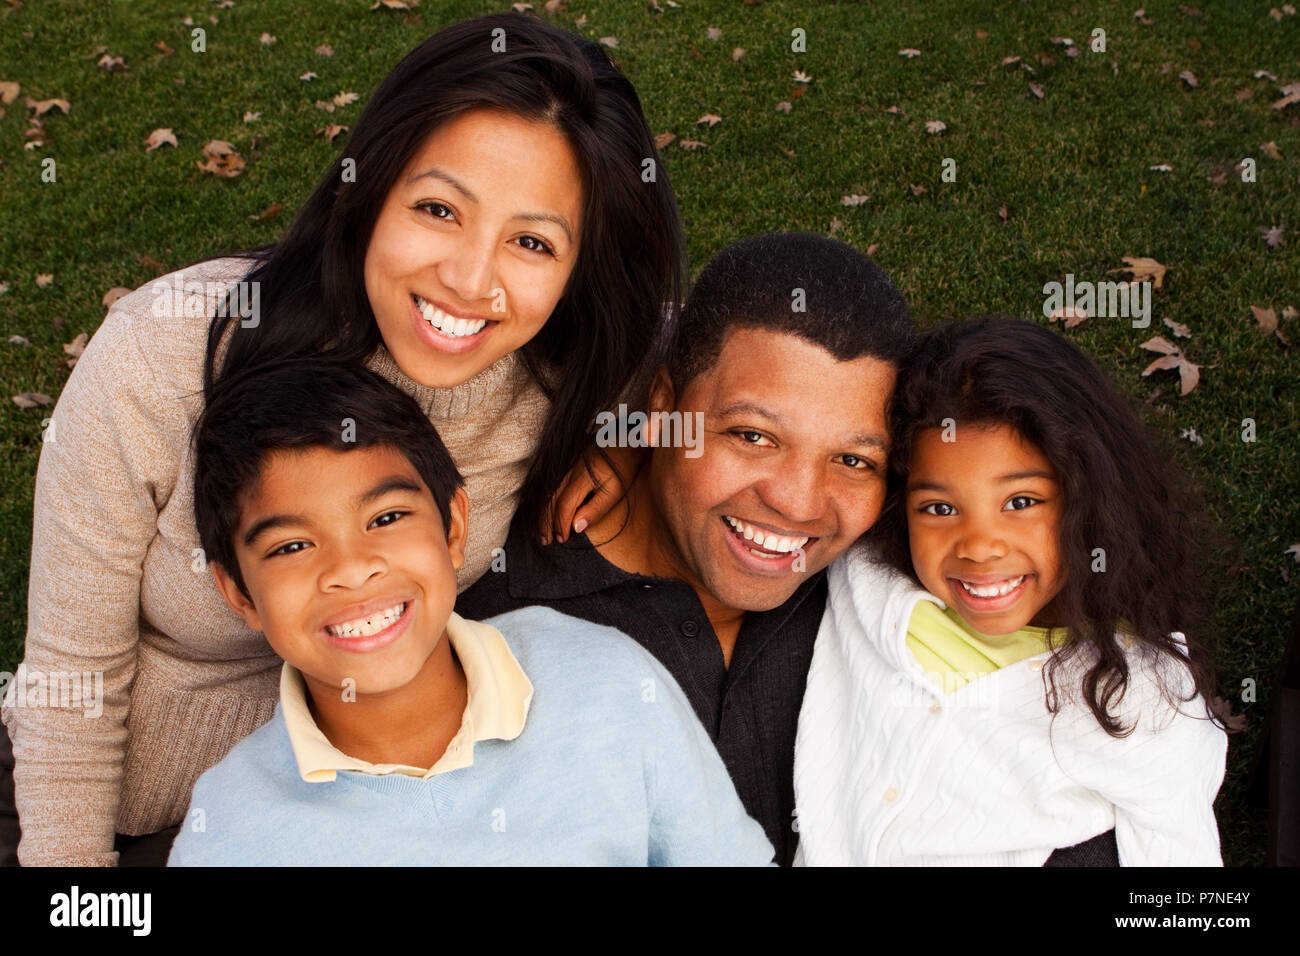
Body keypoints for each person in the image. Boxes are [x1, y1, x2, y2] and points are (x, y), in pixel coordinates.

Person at [1, 11, 684, 866]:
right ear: (369, 190)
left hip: (353, 820)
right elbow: (70, 686)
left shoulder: (551, 380)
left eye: (532, 242)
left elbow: (694, 350)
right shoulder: (163, 357)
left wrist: (628, 429)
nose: (471, 281)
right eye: (438, 208)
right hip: (108, 815)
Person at [166, 360, 771, 866]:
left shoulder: (606, 679)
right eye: (292, 547)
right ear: (240, 594)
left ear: (455, 527)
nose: (351, 569)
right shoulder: (229, 828)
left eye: (386, 518)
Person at [458, 232, 915, 864]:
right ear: (663, 404)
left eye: (853, 459)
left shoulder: (891, 595)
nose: (799, 503)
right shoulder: (490, 623)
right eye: (753, 436)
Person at [793, 317, 1228, 865]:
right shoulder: (864, 585)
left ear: (1088, 500)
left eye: (1021, 502)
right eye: (939, 508)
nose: (978, 546)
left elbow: (1180, 854)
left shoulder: (1143, 695)